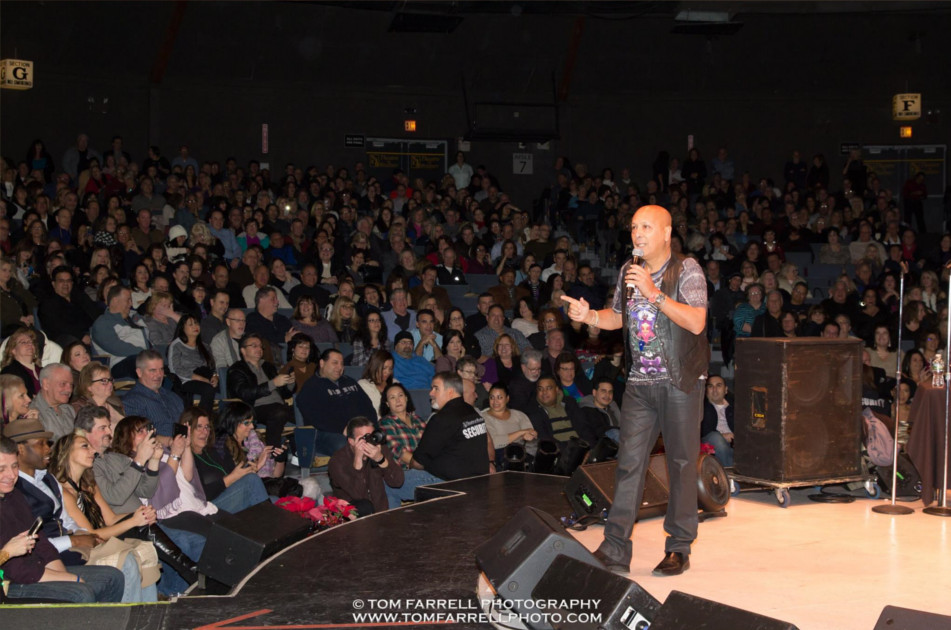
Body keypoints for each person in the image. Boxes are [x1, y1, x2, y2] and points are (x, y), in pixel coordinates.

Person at [562, 204, 709, 577]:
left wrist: (654, 292)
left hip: (680, 382)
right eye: (633, 227)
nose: (637, 233)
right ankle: (615, 547)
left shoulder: (686, 270)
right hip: (640, 385)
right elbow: (617, 317)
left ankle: (678, 547)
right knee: (628, 465)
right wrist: (591, 317)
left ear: (665, 233)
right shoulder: (630, 273)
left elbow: (696, 322)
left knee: (679, 465)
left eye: (646, 226)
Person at [0, 436, 125, 603]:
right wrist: (70, 580)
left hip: (34, 568)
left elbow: (41, 542)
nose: (11, 474)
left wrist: (63, 575)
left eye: (15, 466)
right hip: (12, 583)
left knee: (112, 577)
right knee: (80, 592)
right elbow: (16, 569)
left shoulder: (15, 496)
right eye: (1, 469)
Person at [49, 425, 161, 602]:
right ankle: (130, 617)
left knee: (144, 548)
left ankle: (149, 615)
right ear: (66, 453)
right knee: (129, 557)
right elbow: (90, 535)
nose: (93, 451)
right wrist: (133, 521)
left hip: (101, 540)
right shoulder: (63, 492)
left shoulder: (89, 485)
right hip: (80, 548)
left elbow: (111, 519)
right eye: (84, 446)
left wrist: (139, 515)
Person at [226, 333, 294, 475]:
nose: (259, 349)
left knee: (304, 411)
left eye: (260, 346)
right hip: (253, 408)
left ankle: (298, 453)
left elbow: (285, 393)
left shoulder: (268, 366)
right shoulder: (237, 369)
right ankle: (273, 455)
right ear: (243, 350)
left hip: (279, 406)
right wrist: (272, 384)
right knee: (279, 412)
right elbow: (243, 393)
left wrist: (290, 383)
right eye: (254, 346)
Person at [296, 348, 376, 455]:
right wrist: (343, 429)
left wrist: (371, 426)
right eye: (335, 363)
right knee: (345, 445)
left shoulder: (349, 381)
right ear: (322, 363)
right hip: (328, 433)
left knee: (381, 438)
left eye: (342, 364)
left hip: (358, 429)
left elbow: (367, 406)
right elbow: (315, 418)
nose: (340, 367)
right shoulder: (311, 387)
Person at [412, 372, 491, 480]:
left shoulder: (442, 419)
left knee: (392, 483)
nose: (431, 393)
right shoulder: (472, 411)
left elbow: (417, 462)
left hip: (451, 483)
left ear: (450, 392)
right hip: (478, 480)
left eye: (436, 388)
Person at [378, 382, 443, 508]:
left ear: (406, 398)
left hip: (428, 468)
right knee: (448, 479)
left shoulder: (418, 420)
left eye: (400, 395)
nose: (398, 400)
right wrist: (433, 466)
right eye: (392, 397)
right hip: (406, 472)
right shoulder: (385, 423)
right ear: (387, 404)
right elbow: (401, 453)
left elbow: (433, 445)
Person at [328, 416, 404, 516]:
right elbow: (358, 496)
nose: (369, 441)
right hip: (351, 516)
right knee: (364, 506)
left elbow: (397, 482)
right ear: (351, 441)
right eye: (363, 438)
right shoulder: (337, 461)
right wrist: (358, 462)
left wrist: (381, 460)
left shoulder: (379, 449)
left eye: (371, 436)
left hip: (380, 513)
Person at [90, 285, 151, 379]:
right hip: (121, 363)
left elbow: (150, 338)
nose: (131, 304)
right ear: (115, 301)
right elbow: (117, 347)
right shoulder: (102, 323)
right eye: (128, 300)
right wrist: (146, 354)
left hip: (142, 357)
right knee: (146, 365)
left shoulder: (134, 317)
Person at [121, 350, 185, 438]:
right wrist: (168, 441)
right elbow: (137, 437)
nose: (159, 375)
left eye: (161, 369)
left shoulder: (173, 397)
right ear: (139, 372)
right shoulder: (132, 401)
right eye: (153, 370)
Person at [167, 314, 218, 411]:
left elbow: (212, 367)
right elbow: (174, 369)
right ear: (183, 328)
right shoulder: (177, 345)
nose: (195, 326)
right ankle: (201, 418)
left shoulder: (205, 346)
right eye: (191, 324)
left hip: (204, 378)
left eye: (196, 323)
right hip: (185, 380)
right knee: (208, 389)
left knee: (213, 387)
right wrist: (199, 378)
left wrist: (215, 376)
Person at [481, 383, 537, 467]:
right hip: (499, 458)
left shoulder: (519, 415)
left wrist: (531, 434)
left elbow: (530, 433)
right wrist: (521, 433)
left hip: (522, 456)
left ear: (507, 399)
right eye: (492, 397)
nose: (495, 401)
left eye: (500, 397)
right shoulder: (483, 417)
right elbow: (494, 442)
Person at [28, 363, 76, 441]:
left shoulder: (69, 409)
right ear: (46, 384)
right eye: (63, 384)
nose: (69, 390)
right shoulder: (33, 413)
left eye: (71, 385)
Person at [71, 362, 125, 428]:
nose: (110, 384)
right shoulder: (80, 407)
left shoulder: (116, 404)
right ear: (88, 385)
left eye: (110, 380)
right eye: (104, 380)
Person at [573, 377, 621, 445]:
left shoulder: (613, 408)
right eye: (603, 391)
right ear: (594, 392)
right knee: (615, 433)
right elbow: (598, 431)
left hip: (620, 444)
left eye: (610, 392)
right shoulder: (587, 410)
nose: (607, 395)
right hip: (601, 446)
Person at [700, 376, 734, 467]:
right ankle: (730, 479)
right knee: (717, 439)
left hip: (732, 440)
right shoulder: (701, 406)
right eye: (710, 386)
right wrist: (722, 436)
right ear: (706, 390)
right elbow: (701, 430)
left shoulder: (735, 406)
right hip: (711, 439)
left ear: (726, 390)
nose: (714, 389)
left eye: (718, 385)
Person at [1, 328, 42, 397]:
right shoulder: (9, 372)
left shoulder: (42, 370)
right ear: (13, 350)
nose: (29, 344)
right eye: (24, 342)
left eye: (31, 342)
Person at [356, 350, 394, 421]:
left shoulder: (395, 383)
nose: (387, 372)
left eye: (390, 369)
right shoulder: (363, 384)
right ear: (375, 366)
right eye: (384, 368)